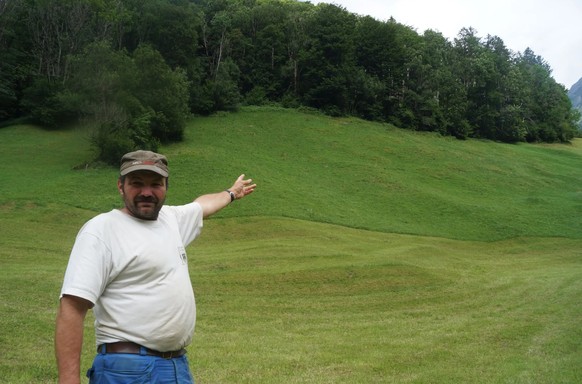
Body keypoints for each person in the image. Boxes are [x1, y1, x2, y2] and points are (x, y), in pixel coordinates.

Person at [55, 150, 256, 384]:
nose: (146, 192)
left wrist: (231, 193)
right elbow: (71, 307)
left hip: (175, 366)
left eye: (156, 184)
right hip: (126, 369)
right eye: (137, 183)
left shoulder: (171, 220)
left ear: (166, 187)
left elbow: (202, 206)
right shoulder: (102, 230)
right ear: (121, 186)